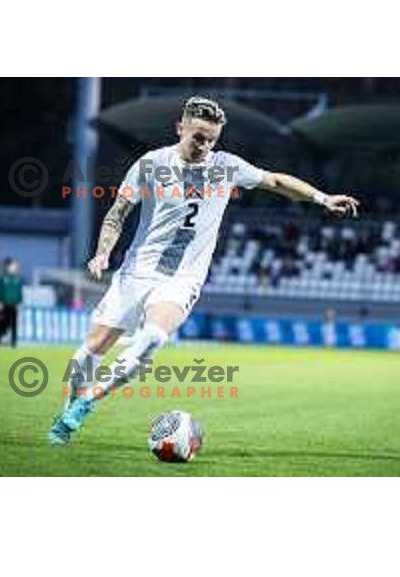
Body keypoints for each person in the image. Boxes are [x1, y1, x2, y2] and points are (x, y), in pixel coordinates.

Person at [49, 96, 360, 444]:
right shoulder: (151, 164)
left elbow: (274, 182)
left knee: (152, 337)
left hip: (183, 279)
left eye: (212, 139)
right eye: (198, 136)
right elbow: (118, 212)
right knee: (91, 349)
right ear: (180, 128)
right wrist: (102, 253)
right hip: (138, 270)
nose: (205, 146)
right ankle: (70, 404)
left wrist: (322, 198)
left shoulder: (225, 166)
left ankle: (88, 402)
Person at [0, 259, 23, 348]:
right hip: (4, 304)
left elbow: (19, 292)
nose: (14, 269)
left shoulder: (18, 279)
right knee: (2, 324)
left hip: (14, 304)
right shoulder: (2, 278)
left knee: (14, 325)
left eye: (15, 267)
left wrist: (19, 302)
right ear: (8, 268)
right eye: (12, 267)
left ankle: (13, 343)